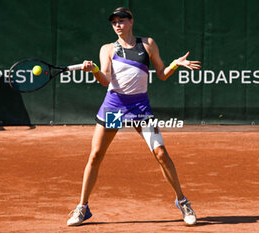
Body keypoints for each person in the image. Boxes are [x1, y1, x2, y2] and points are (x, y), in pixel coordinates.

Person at [67, 7, 201, 226]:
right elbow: (105, 80)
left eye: (122, 21)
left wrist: (176, 64)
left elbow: (162, 74)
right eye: (114, 23)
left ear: (131, 22)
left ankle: (182, 200)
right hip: (114, 107)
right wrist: (93, 70)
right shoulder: (108, 49)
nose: (118, 25)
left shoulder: (147, 44)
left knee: (161, 153)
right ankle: (82, 208)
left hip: (140, 108)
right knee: (95, 155)